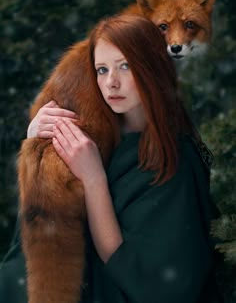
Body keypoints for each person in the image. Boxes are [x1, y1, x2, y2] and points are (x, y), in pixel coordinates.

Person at [1, 15, 222, 303]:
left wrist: (93, 179)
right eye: (101, 70)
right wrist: (37, 143)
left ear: (152, 67)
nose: (111, 83)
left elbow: (144, 275)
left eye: (125, 66)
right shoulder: (96, 129)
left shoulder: (174, 155)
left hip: (114, 288)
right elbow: (43, 220)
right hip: (70, 273)